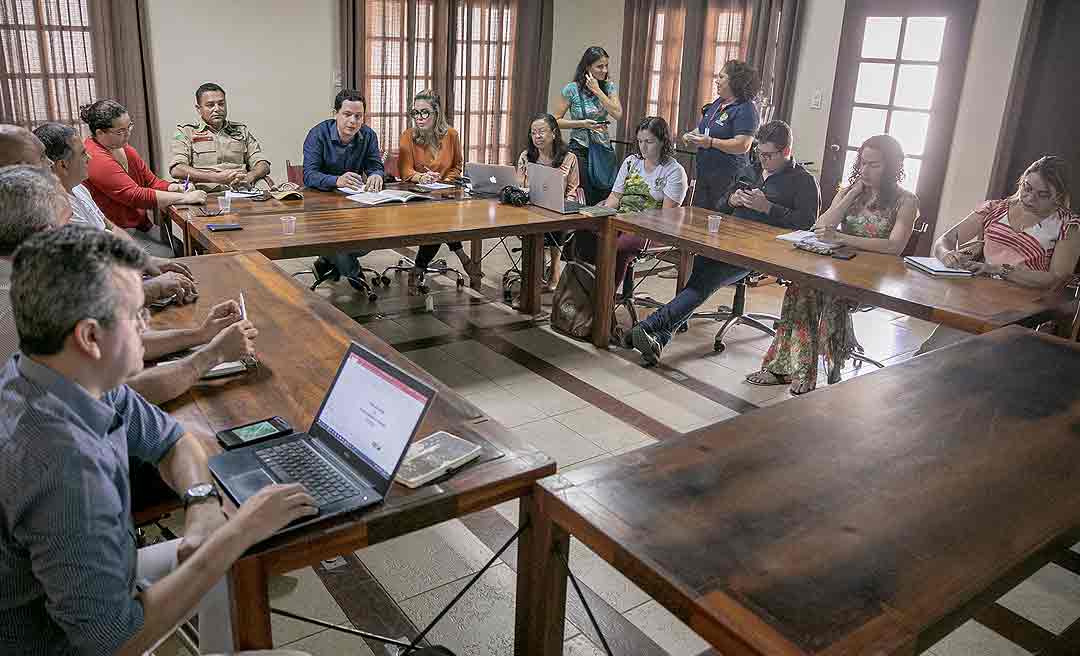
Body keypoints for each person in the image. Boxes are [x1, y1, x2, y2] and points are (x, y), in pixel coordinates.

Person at [0, 224, 319, 655]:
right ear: (90, 337)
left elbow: (172, 439)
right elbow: (116, 642)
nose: (146, 324)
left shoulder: (53, 372)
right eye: (135, 314)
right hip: (67, 642)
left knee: (220, 553)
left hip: (97, 583)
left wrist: (203, 503)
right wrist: (237, 532)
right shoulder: (63, 465)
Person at [0, 164, 258, 405]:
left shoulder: (35, 273)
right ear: (46, 233)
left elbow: (116, 342)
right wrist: (212, 355)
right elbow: (117, 395)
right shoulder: (16, 305)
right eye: (67, 222)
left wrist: (200, 335)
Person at [627, 120, 821, 365]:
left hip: (761, 252)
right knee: (700, 278)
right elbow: (720, 205)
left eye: (769, 155)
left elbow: (806, 225)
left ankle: (651, 325)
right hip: (727, 239)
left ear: (787, 152)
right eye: (759, 153)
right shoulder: (749, 170)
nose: (763, 160)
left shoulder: (802, 181)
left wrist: (768, 207)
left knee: (705, 281)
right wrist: (732, 199)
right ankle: (660, 336)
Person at [746, 134, 918, 395]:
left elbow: (895, 247)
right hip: (840, 267)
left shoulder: (906, 201)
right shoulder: (851, 191)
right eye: (863, 163)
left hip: (874, 277)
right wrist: (850, 196)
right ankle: (792, 368)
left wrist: (843, 238)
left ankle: (792, 369)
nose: (865, 170)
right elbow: (819, 227)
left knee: (816, 290)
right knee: (801, 286)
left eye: (875, 165)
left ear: (892, 167)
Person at [917, 155, 1080, 354]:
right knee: (932, 352)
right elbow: (945, 240)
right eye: (1027, 188)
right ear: (1022, 181)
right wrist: (947, 255)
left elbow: (1056, 278)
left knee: (956, 355)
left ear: (1059, 196)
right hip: (978, 298)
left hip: (1025, 307)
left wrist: (998, 270)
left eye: (1042, 195)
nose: (1029, 198)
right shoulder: (995, 209)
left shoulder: (1067, 225)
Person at [33, 121, 200, 306]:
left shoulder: (79, 187)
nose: (89, 157)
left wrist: (143, 260)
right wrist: (151, 283)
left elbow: (109, 226)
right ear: (63, 165)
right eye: (82, 154)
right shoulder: (55, 209)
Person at [574, 116, 688, 288]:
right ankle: (582, 287)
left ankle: (605, 299)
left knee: (617, 246)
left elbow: (666, 216)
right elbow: (615, 196)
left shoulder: (674, 171)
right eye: (640, 141)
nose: (643, 146)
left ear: (663, 142)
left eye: (649, 142)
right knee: (583, 230)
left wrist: (629, 220)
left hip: (650, 227)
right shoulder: (631, 161)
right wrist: (604, 213)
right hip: (621, 219)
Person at [81, 99, 207, 233]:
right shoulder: (95, 157)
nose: (127, 134)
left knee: (179, 248)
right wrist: (185, 198)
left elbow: (150, 181)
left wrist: (175, 187)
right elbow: (135, 196)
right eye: (120, 131)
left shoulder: (124, 148)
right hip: (118, 232)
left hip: (139, 226)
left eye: (129, 127)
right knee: (175, 253)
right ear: (100, 133)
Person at [303, 89, 385, 288]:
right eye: (347, 115)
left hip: (353, 203)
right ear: (335, 113)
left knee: (374, 236)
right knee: (338, 240)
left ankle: (327, 260)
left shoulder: (368, 135)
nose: (353, 121)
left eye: (358, 116)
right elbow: (309, 175)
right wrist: (336, 180)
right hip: (321, 205)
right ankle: (353, 273)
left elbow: (375, 164)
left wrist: (376, 174)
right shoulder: (318, 134)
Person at [399, 89, 480, 291]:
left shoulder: (451, 135)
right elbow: (404, 170)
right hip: (416, 196)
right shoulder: (408, 136)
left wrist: (446, 180)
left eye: (424, 112)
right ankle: (461, 256)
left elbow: (457, 165)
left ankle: (419, 268)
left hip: (444, 194)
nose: (419, 118)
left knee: (442, 217)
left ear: (436, 113)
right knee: (439, 220)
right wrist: (422, 177)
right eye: (415, 113)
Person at [682, 60, 761, 210]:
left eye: (721, 77)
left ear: (735, 81)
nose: (717, 81)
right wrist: (691, 135)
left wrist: (711, 143)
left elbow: (743, 145)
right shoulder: (719, 103)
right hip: (705, 174)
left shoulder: (746, 109)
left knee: (719, 221)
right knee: (699, 218)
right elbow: (704, 128)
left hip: (728, 178)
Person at [517, 112, 581, 290]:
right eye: (533, 132)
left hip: (557, 210)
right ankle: (533, 277)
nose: (537, 136)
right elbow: (519, 184)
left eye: (542, 132)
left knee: (555, 223)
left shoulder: (569, 158)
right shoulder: (526, 156)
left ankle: (553, 266)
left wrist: (565, 206)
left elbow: (573, 190)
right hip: (530, 208)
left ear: (554, 133)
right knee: (534, 227)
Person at [168, 82, 272, 191]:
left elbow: (262, 163)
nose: (217, 109)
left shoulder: (241, 131)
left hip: (241, 193)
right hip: (205, 195)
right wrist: (216, 178)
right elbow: (177, 169)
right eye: (210, 105)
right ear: (199, 109)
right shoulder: (186, 132)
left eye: (221, 104)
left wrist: (250, 177)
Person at [553, 46, 623, 205]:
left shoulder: (608, 87)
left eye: (606, 66)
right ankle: (583, 228)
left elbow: (617, 113)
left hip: (602, 148)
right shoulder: (572, 89)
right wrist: (582, 124)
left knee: (604, 193)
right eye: (600, 66)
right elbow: (555, 120)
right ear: (587, 67)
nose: (604, 70)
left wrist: (597, 90)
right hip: (580, 149)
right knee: (585, 196)